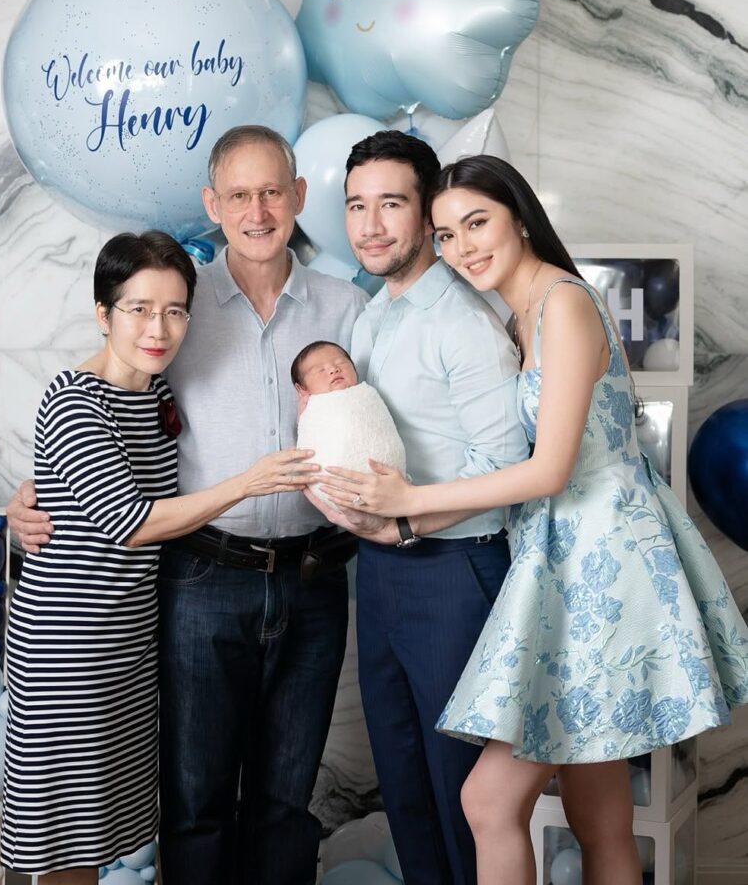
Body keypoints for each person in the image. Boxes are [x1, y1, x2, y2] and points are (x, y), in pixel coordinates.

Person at [318, 154, 748, 885]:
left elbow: (549, 470)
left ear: (519, 217)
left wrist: (409, 501)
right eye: (447, 235)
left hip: (601, 564)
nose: (463, 247)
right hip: (563, 555)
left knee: (488, 802)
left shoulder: (565, 303)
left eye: (477, 223)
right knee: (597, 812)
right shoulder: (521, 310)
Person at [6, 127, 367, 885]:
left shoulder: (348, 309)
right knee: (193, 800)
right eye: (238, 195)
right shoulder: (184, 305)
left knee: (287, 799)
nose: (257, 211)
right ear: (212, 204)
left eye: (272, 192)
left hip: (314, 579)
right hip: (200, 581)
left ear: (299, 197)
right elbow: (89, 411)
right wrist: (34, 491)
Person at [308, 131, 529, 885]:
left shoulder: (464, 320)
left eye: (391, 204)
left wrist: (404, 520)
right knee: (404, 787)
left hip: (455, 573)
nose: (369, 226)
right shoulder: (371, 318)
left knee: (465, 796)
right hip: (380, 573)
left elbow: (508, 468)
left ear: (428, 210)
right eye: (356, 206)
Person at [292, 341, 407, 508]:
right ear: (302, 388)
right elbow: (310, 439)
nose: (334, 370)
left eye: (341, 363)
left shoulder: (366, 395)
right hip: (334, 486)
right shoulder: (312, 410)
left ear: (356, 370)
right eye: (320, 370)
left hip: (390, 482)